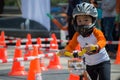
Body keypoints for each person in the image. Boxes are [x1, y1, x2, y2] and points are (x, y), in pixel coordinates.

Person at [59, 2, 111, 80]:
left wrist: (96, 46)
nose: (82, 23)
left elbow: (102, 41)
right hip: (89, 65)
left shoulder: (96, 32)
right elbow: (71, 45)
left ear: (93, 20)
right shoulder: (77, 35)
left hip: (103, 62)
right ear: (75, 22)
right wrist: (65, 50)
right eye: (79, 21)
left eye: (86, 20)